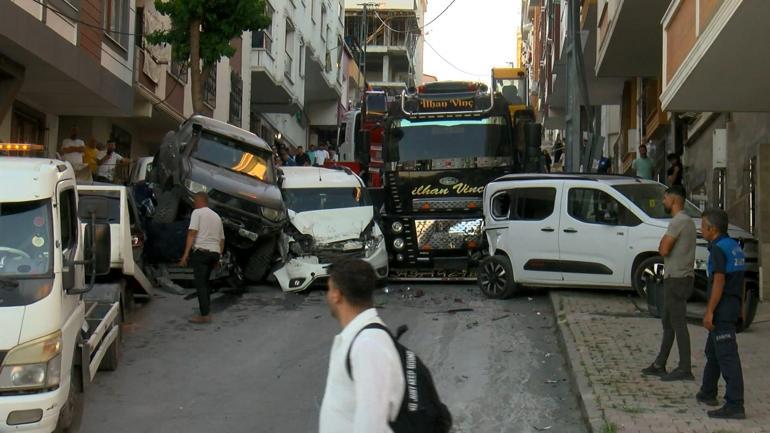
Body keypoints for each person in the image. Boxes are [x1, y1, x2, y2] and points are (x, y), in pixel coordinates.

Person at [319, 259, 405, 433]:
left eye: (329, 289)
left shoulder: (368, 345)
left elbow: (372, 426)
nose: (328, 295)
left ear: (337, 294)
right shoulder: (361, 337)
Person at [642, 185, 697, 381]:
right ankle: (660, 363)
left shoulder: (678, 222)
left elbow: (663, 249)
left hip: (677, 279)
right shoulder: (687, 222)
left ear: (673, 200)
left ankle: (684, 368)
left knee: (678, 323)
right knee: (668, 322)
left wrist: (663, 243)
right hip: (677, 277)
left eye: (665, 198)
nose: (663, 202)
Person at [696, 209, 746, 419]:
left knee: (727, 357)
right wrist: (741, 308)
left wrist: (709, 311)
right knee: (713, 352)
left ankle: (735, 405)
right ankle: (707, 391)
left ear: (712, 229)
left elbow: (719, 281)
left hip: (722, 310)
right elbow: (740, 280)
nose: (701, 229)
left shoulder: (718, 250)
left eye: (703, 225)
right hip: (732, 307)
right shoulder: (734, 246)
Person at [179, 193, 225, 324]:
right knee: (205, 283)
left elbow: (192, 233)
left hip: (202, 253)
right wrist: (219, 258)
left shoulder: (197, 213)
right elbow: (222, 240)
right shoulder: (216, 217)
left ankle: (205, 315)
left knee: (201, 284)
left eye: (194, 201)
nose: (193, 203)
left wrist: (185, 254)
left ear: (199, 201)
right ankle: (206, 311)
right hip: (214, 253)